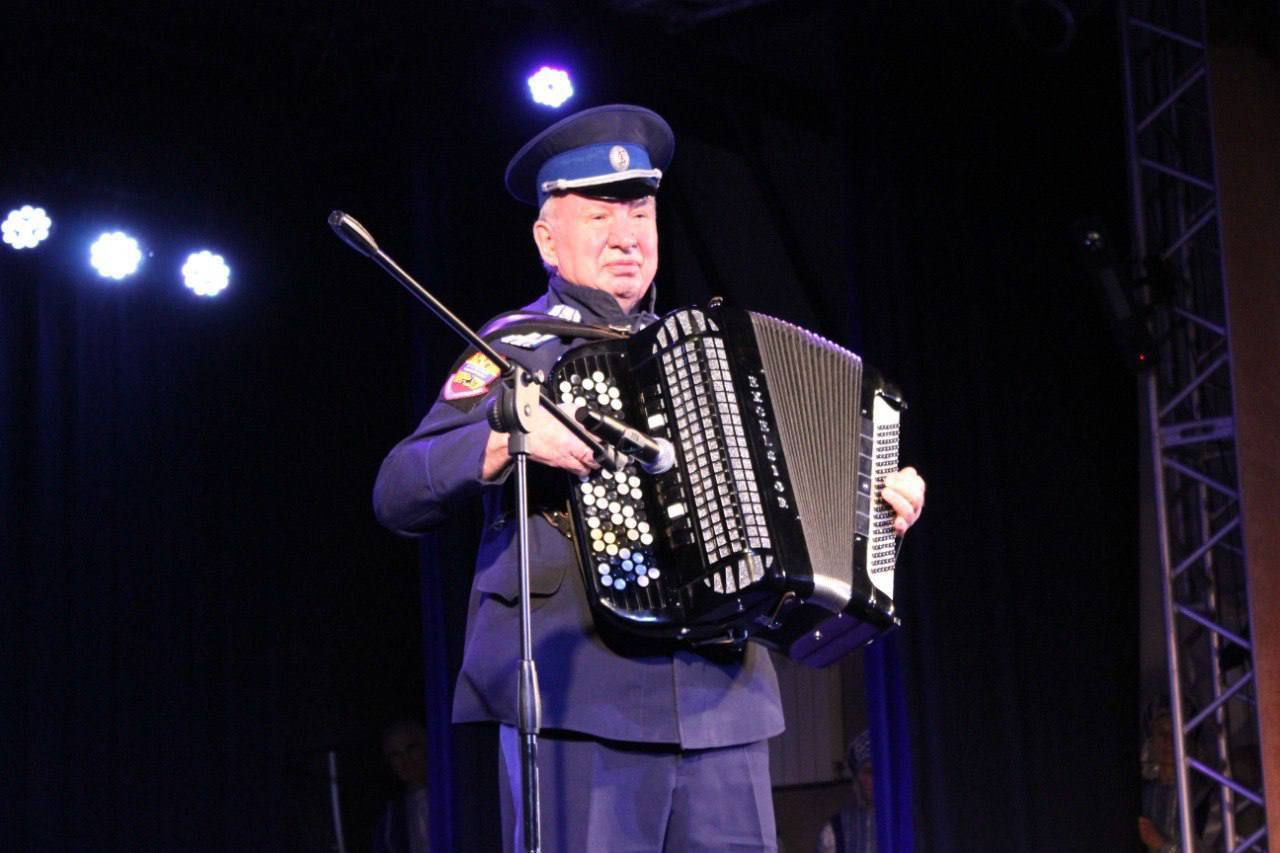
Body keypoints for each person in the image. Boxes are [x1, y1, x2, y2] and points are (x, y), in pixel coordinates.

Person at [373, 103, 926, 853]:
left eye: (640, 213)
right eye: (600, 215)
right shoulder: (515, 349)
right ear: (547, 239)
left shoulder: (712, 354)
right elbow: (398, 488)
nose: (627, 235)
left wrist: (870, 506)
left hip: (723, 704)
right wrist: (508, 439)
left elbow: (787, 501)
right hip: (579, 699)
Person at [373, 719, 430, 853]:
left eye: (411, 749)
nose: (405, 760)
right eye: (395, 755)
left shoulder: (456, 795)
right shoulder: (391, 816)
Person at [815, 731, 876, 853]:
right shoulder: (835, 831)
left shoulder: (911, 823)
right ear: (858, 777)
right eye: (869, 772)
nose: (877, 779)